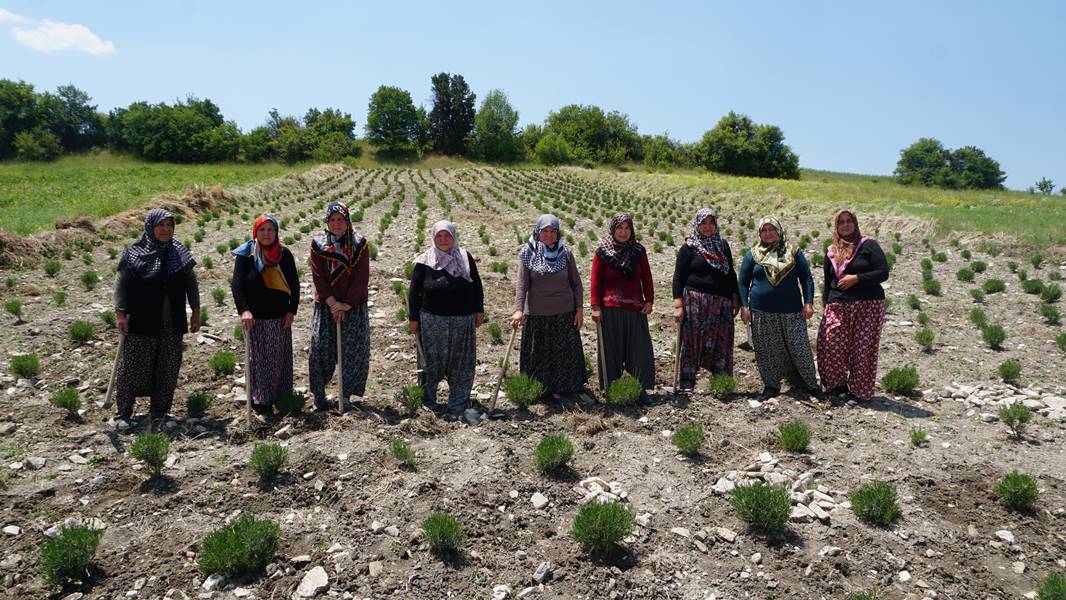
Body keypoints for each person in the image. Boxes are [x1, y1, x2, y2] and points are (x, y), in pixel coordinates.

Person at [112, 208, 200, 425]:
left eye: (170, 225)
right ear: (151, 227)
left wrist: (196, 312)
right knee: (131, 366)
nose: (166, 229)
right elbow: (121, 284)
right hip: (142, 319)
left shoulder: (179, 252)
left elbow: (191, 283)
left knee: (168, 366)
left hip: (172, 321)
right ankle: (124, 413)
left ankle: (160, 411)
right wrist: (120, 314)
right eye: (161, 225)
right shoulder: (134, 252)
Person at [407, 221, 485, 417]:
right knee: (430, 363)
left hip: (463, 320)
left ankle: (458, 403)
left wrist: (479, 310)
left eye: (447, 236)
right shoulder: (425, 261)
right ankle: (428, 403)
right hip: (432, 321)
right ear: (433, 238)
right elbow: (414, 291)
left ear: (454, 236)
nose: (443, 240)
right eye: (439, 236)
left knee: (462, 363)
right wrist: (413, 318)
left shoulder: (465, 258)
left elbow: (477, 285)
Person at [738, 217, 821, 400]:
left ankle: (811, 385)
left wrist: (808, 302)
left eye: (772, 229)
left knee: (800, 347)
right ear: (759, 233)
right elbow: (743, 283)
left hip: (791, 310)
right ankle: (771, 385)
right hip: (761, 311)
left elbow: (806, 277)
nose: (768, 233)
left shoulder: (793, 252)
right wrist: (744, 306)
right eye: (764, 230)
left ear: (779, 230)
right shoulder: (752, 255)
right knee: (766, 351)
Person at [510, 214, 587, 399]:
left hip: (564, 312)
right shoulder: (528, 253)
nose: (549, 235)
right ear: (537, 232)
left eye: (553, 231)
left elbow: (576, 283)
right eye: (545, 231)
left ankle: (565, 388)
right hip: (537, 313)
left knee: (563, 353)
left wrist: (579, 309)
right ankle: (539, 389)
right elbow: (522, 284)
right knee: (539, 353)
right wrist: (519, 309)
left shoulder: (565, 253)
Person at [816, 209, 890, 401]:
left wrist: (857, 278)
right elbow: (828, 280)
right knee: (831, 343)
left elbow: (883, 272)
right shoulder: (832, 251)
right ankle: (836, 386)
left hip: (868, 305)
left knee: (863, 348)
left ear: (855, 223)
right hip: (838, 304)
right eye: (841, 222)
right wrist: (827, 304)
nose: (845, 225)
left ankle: (860, 391)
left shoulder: (869, 245)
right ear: (836, 227)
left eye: (849, 221)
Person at [231, 214, 300, 417]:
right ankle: (260, 400)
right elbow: (237, 285)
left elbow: (294, 285)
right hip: (255, 319)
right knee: (258, 360)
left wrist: (291, 311)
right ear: (255, 232)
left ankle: (280, 396)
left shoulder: (284, 255)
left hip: (279, 318)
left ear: (276, 232)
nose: (266, 234)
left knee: (279, 359)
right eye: (262, 230)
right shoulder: (246, 255)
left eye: (270, 230)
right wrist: (244, 309)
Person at [308, 202, 371, 412]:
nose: (337, 224)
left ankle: (345, 396)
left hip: (353, 307)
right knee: (320, 349)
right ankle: (319, 396)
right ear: (327, 222)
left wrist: (346, 304)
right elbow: (318, 276)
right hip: (326, 306)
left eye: (340, 219)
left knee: (352, 351)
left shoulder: (359, 244)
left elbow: (362, 277)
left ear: (347, 221)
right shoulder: (318, 244)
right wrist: (333, 303)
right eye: (332, 220)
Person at [671, 208, 740, 393]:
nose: (708, 227)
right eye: (704, 223)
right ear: (697, 225)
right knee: (691, 343)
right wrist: (678, 304)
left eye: (711, 223)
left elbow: (731, 273)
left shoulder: (723, 246)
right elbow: (678, 277)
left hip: (722, 305)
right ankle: (686, 384)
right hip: (695, 303)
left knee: (721, 344)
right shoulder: (689, 247)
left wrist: (735, 296)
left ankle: (721, 384)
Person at [590, 213, 656, 405]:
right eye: (620, 228)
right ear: (613, 229)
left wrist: (649, 301)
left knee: (639, 350)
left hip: (635, 309)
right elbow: (595, 282)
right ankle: (612, 389)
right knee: (611, 350)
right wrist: (595, 307)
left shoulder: (638, 251)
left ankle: (640, 389)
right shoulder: (602, 252)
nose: (623, 232)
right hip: (610, 309)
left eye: (627, 228)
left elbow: (647, 278)